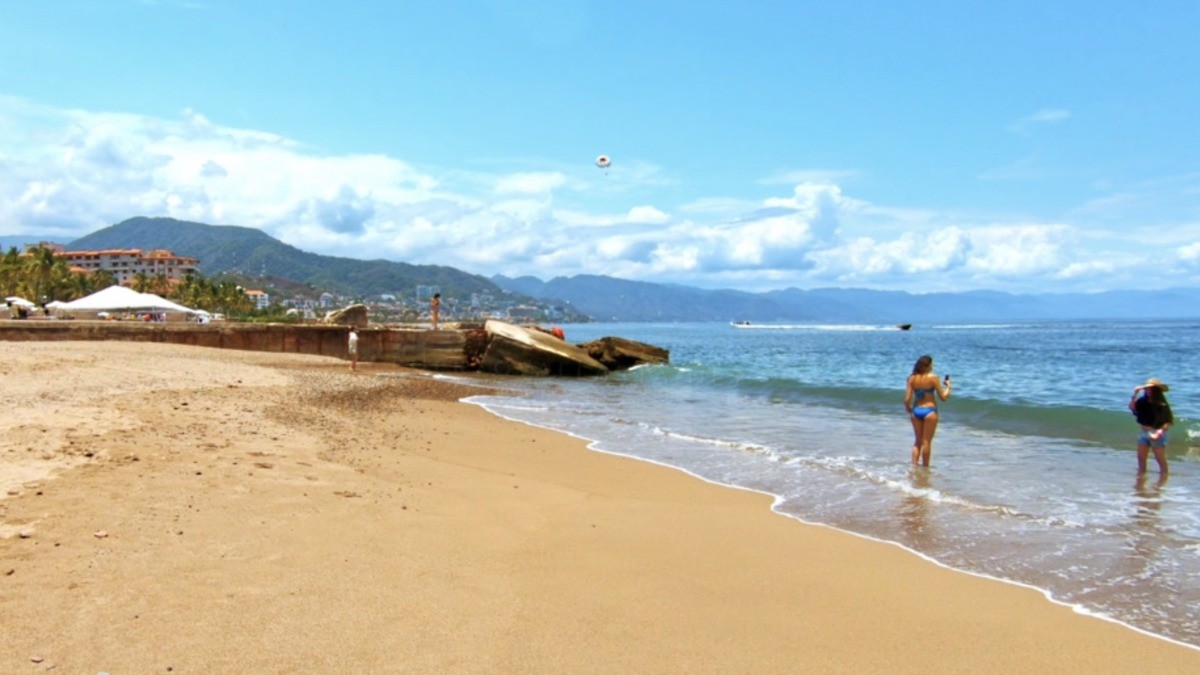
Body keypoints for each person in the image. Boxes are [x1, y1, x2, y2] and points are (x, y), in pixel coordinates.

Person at [904, 354, 951, 467]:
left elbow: (907, 399)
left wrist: (908, 408)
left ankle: (914, 466)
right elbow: (943, 397)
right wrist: (948, 386)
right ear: (928, 365)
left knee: (918, 441)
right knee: (927, 442)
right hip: (930, 411)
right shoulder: (933, 378)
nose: (933, 366)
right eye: (932, 364)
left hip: (916, 411)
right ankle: (925, 468)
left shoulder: (912, 378)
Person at [1130, 378, 1173, 475]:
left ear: (1157, 391)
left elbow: (1169, 421)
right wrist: (1135, 394)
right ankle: (1141, 479)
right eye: (1147, 389)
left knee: (1160, 459)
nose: (1148, 391)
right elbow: (1132, 408)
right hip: (1143, 432)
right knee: (1141, 458)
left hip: (1157, 432)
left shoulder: (1162, 404)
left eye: (1151, 389)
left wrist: (1159, 432)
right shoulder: (1142, 401)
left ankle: (1163, 479)